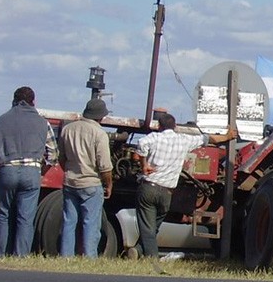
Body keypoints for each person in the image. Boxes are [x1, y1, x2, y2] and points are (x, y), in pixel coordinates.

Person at [135, 113, 236, 258]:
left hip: (149, 187)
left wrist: (144, 165)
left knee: (148, 227)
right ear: (175, 127)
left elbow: (141, 144)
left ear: (159, 126)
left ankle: (151, 259)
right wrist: (227, 137)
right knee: (152, 227)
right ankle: (138, 250)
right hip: (166, 193)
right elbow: (207, 138)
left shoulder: (154, 137)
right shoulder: (183, 140)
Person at [0, 86, 58, 257]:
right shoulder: (42, 122)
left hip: (7, 169)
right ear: (33, 101)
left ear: (14, 100)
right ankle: (20, 255)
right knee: (25, 217)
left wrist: (0, 167)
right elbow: (53, 154)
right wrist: (41, 171)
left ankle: (1, 254)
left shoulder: (2, 120)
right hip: (31, 171)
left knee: (4, 213)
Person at [58, 98, 113, 257]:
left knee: (69, 221)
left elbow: (62, 157)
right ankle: (89, 257)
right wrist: (108, 184)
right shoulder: (99, 133)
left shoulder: (68, 129)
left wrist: (70, 171)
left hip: (70, 181)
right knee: (90, 223)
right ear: (101, 117)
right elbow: (105, 166)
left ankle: (65, 257)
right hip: (91, 183)